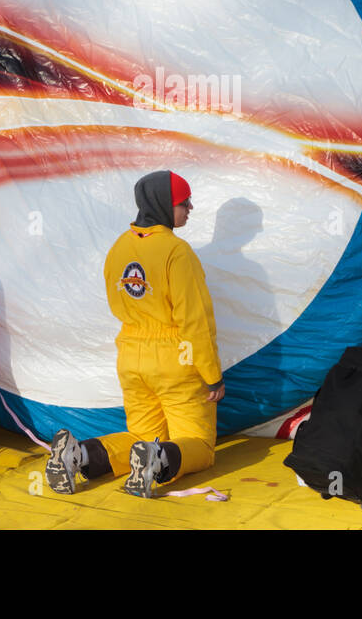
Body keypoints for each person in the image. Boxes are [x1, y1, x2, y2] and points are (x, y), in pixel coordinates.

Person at [45, 170, 224, 498]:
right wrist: (212, 376)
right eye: (184, 203)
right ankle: (157, 459)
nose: (191, 208)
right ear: (164, 204)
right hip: (175, 360)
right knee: (199, 444)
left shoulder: (118, 248)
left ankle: (78, 454)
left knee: (140, 435)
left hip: (131, 358)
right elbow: (194, 321)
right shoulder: (177, 251)